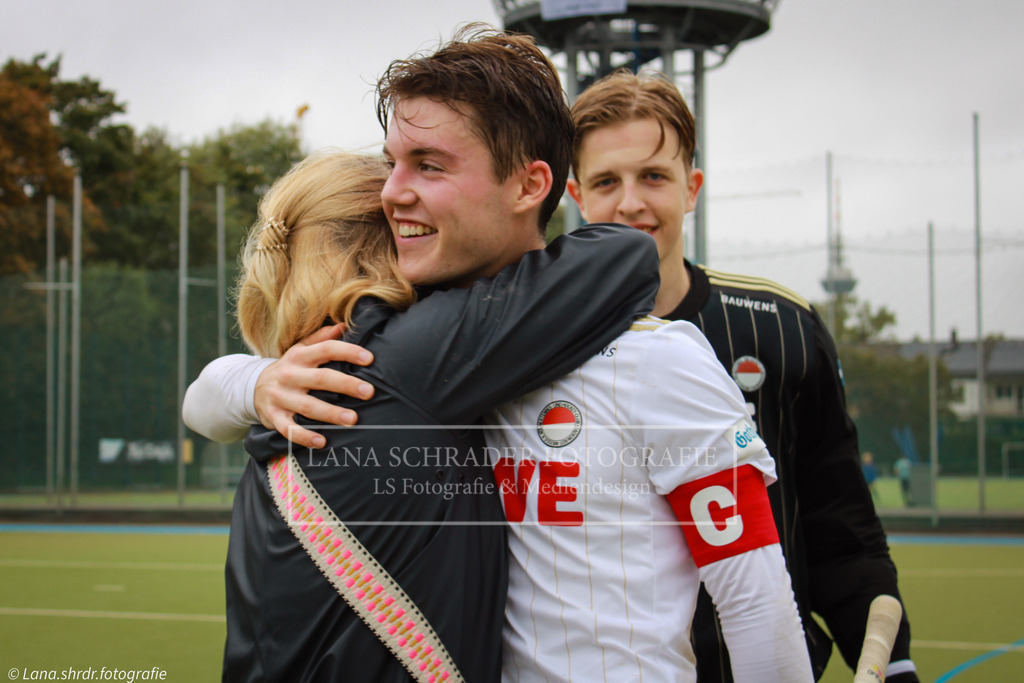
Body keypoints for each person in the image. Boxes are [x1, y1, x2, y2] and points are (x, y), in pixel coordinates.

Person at [186, 26, 814, 682]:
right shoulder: (399, 361)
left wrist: (243, 382)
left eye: (429, 164)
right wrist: (255, 379)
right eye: (393, 161)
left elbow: (753, 599)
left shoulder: (659, 362)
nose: (393, 191)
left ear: (527, 186)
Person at [565, 69, 919, 682]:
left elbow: (837, 518)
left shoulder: (781, 328)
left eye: (653, 176)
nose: (630, 203)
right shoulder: (537, 344)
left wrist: (896, 659)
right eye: (606, 181)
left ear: (692, 187)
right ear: (576, 195)